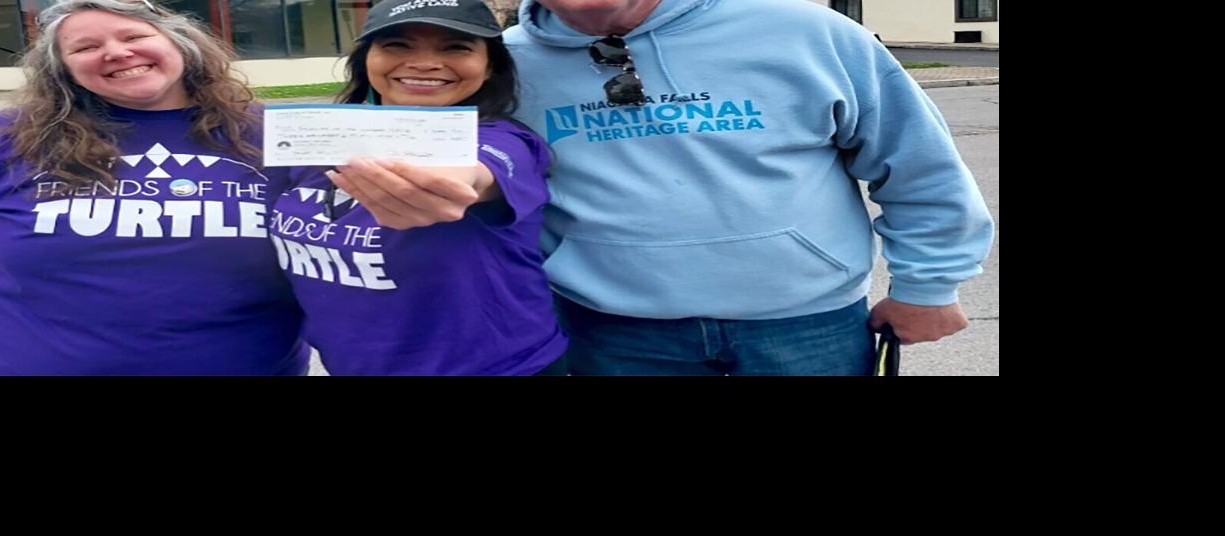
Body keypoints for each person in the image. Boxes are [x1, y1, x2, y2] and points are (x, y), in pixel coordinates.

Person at [491, 0, 994, 375]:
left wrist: (928, 286)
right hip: (611, 333)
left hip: (808, 329)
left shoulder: (807, 33)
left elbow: (916, 165)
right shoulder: (499, 66)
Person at [0, 0, 308, 375]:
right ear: (62, 68)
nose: (116, 52)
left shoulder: (279, 137)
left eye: (134, 36)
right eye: (85, 47)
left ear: (180, 42)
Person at [267, 0, 567, 375]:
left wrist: (447, 186)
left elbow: (475, 171)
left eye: (456, 46)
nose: (424, 62)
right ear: (366, 61)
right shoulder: (316, 144)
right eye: (397, 45)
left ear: (489, 66)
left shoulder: (508, 141)